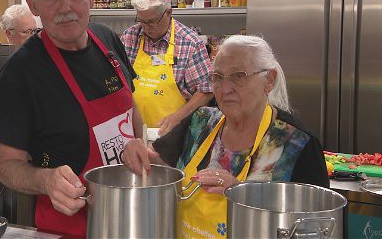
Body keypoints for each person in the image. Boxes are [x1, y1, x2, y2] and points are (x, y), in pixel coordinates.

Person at [0, 0, 142, 236]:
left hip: (132, 217)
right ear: (33, 5)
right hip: (68, 228)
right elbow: (6, 166)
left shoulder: (107, 39)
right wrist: (46, 180)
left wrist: (141, 142)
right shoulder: (21, 72)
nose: (65, 7)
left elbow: (130, 106)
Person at [123, 35, 329, 238]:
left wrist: (241, 195)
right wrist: (142, 156)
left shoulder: (297, 145)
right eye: (218, 77)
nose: (225, 89)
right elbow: (163, 169)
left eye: (239, 76)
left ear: (269, 80)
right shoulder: (200, 122)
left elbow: (316, 229)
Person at [121, 0, 213, 136]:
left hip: (173, 136)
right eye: (141, 21)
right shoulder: (129, 37)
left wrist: (178, 117)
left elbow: (207, 90)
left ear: (168, 12)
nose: (145, 27)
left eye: (151, 21)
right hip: (132, 133)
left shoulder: (189, 43)